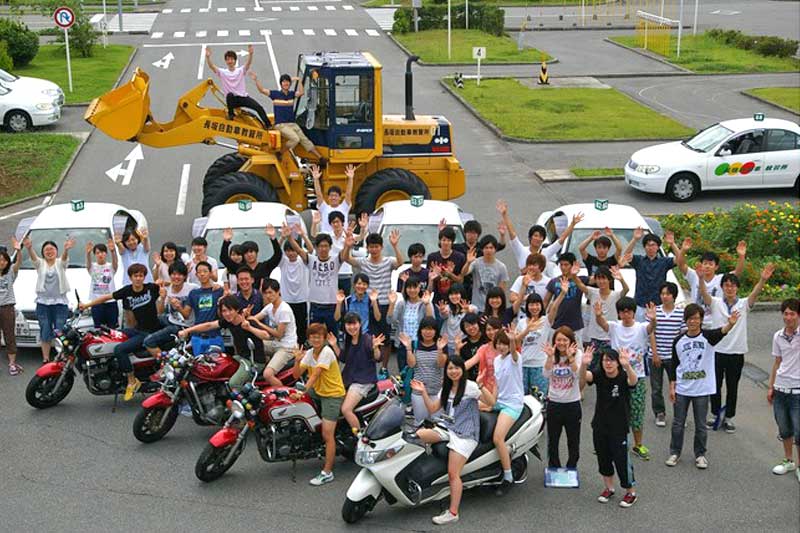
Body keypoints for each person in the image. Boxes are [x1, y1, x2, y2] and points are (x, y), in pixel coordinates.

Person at [412, 357, 495, 525]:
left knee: (453, 474)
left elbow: (491, 402)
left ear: (462, 370)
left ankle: (453, 512)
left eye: (457, 368)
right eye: (450, 368)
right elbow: (432, 409)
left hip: (466, 433)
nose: (453, 371)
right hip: (449, 427)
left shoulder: (470, 387)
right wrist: (423, 393)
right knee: (418, 435)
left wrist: (481, 385)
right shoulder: (447, 388)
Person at [700, 263, 773, 433]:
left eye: (733, 285)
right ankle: (715, 414)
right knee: (715, 385)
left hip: (736, 352)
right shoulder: (716, 302)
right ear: (722, 287)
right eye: (726, 285)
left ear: (737, 288)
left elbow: (755, 293)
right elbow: (704, 295)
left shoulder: (744, 304)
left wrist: (762, 280)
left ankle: (729, 417)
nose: (730, 288)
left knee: (733, 387)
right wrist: (701, 279)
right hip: (717, 351)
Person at [665, 303, 738, 470]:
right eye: (690, 318)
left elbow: (722, 332)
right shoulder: (678, 340)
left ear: (701, 320)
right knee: (678, 422)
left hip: (702, 389)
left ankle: (700, 455)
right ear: (686, 320)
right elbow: (674, 365)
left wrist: (731, 324)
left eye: (697, 318)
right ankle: (675, 452)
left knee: (700, 424)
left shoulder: (708, 337)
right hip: (682, 388)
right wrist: (672, 386)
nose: (693, 321)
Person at [79, 264, 161, 400]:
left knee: (119, 349)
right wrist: (87, 305)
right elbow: (106, 297)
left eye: (141, 276)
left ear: (144, 277)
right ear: (130, 277)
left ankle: (132, 380)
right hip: (137, 330)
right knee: (112, 335)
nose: (138, 279)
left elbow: (168, 284)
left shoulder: (151, 288)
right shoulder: (127, 291)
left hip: (150, 333)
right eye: (135, 276)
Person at [594, 297, 656, 460]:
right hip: (615, 377)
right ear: (619, 313)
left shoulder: (641, 327)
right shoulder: (615, 327)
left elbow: (651, 328)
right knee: (611, 411)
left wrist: (653, 319)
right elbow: (602, 323)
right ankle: (608, 442)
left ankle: (638, 445)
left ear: (634, 312)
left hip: (637, 376)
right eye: (622, 311)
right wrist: (598, 315)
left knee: (636, 412)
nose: (625, 314)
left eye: (628, 311)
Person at [580, 346, 639, 508]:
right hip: (599, 425)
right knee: (603, 458)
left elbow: (633, 382)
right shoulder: (599, 374)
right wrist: (583, 364)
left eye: (611, 360)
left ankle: (630, 492)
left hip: (619, 427)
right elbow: (585, 377)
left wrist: (627, 365)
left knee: (622, 461)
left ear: (618, 362)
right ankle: (609, 488)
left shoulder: (623, 376)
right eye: (605, 360)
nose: (608, 363)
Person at [292, 323, 347, 486]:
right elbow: (296, 374)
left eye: (319, 336)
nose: (315, 339)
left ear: (324, 339)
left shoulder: (327, 352)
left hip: (332, 395)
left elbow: (316, 374)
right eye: (312, 336)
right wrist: (297, 361)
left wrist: (303, 391)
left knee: (327, 435)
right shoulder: (309, 353)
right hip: (317, 391)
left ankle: (327, 472)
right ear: (308, 338)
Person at [179, 295, 267, 387]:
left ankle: (241, 400)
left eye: (230, 310)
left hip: (254, 362)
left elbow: (265, 335)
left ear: (237, 310)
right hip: (240, 358)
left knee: (233, 383)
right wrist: (187, 331)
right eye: (224, 311)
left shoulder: (248, 322)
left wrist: (250, 328)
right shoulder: (228, 321)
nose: (227, 314)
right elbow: (209, 325)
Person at [343, 230, 403, 366]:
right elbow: (347, 259)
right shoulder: (363, 262)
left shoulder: (388, 261)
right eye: (371, 246)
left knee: (386, 339)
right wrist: (347, 246)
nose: (374, 249)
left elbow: (400, 262)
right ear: (367, 248)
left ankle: (384, 368)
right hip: (367, 305)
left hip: (385, 304)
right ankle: (368, 364)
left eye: (376, 246)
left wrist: (395, 246)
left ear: (381, 247)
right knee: (368, 337)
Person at [285, 225, 352, 337]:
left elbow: (344, 255)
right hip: (315, 306)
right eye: (320, 246)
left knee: (332, 336)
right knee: (315, 336)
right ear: (316, 248)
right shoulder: (311, 260)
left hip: (331, 306)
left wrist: (348, 245)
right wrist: (289, 237)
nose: (323, 249)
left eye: (326, 246)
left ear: (330, 247)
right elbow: (299, 250)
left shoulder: (335, 261)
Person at [251, 71, 325, 162]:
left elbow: (301, 93)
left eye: (287, 82)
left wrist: (299, 80)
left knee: (304, 139)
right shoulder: (275, 94)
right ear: (281, 84)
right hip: (281, 125)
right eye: (284, 82)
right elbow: (262, 90)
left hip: (292, 124)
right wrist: (256, 80)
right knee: (295, 139)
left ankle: (320, 158)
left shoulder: (291, 94)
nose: (285, 83)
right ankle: (280, 153)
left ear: (290, 83)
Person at [496, 199, 582, 274]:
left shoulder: (546, 252)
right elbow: (513, 234)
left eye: (541, 236)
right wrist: (504, 215)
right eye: (535, 236)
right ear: (530, 237)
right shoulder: (521, 251)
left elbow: (561, 239)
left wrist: (572, 224)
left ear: (543, 239)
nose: (538, 238)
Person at [332, 312, 383, 434]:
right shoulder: (349, 340)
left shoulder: (367, 339)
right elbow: (344, 358)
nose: (351, 327)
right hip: (349, 379)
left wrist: (375, 347)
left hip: (363, 381)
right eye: (348, 324)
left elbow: (377, 358)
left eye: (354, 323)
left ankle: (359, 436)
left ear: (360, 324)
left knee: (346, 409)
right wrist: (334, 345)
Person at [516, 280, 567, 398]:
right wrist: (527, 330)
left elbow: (554, 307)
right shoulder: (522, 322)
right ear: (527, 306)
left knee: (539, 398)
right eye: (531, 304)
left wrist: (562, 294)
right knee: (524, 398)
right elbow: (516, 342)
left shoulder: (546, 321)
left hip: (540, 365)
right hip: (524, 364)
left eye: (537, 304)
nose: (534, 307)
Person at [767, 298, 800, 481]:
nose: (788, 317)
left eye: (792, 313)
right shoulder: (778, 336)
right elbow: (777, 362)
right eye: (785, 314)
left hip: (798, 391)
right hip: (780, 389)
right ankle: (788, 460)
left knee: (799, 431)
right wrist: (771, 387)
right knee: (785, 429)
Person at [24, 237, 72, 364]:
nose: (49, 251)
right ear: (43, 252)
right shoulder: (40, 264)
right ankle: (46, 358)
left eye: (52, 249)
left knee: (60, 331)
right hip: (43, 303)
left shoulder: (60, 263)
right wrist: (29, 248)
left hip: (60, 303)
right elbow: (34, 258)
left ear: (56, 251)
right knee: (45, 329)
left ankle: (61, 356)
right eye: (46, 249)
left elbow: (64, 259)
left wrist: (66, 250)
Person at [679, 240, 747, 327]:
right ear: (701, 264)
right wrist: (683, 250)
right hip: (697, 321)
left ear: (716, 267)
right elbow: (681, 265)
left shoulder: (721, 278)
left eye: (711, 264)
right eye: (705, 263)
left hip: (716, 321)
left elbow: (738, 272)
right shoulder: (695, 276)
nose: (707, 266)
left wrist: (741, 256)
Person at [490, 329, 525, 496]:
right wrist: (491, 402)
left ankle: (508, 476)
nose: (501, 346)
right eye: (498, 343)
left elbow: (514, 353)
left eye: (504, 343)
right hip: (500, 402)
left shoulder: (514, 358)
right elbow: (497, 384)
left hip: (512, 404)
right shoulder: (496, 360)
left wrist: (512, 341)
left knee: (498, 438)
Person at [543, 326, 582, 469]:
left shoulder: (578, 354)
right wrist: (549, 358)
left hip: (572, 403)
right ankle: (554, 467)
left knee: (573, 440)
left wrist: (571, 358)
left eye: (565, 340)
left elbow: (578, 376)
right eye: (558, 340)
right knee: (553, 439)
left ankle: (571, 467)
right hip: (554, 403)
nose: (561, 343)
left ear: (571, 341)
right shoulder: (551, 354)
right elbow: (546, 375)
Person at [623, 228, 682, 322]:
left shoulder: (664, 261)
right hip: (640, 304)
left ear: (658, 247)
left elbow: (680, 260)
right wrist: (634, 239)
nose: (650, 247)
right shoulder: (639, 260)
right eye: (647, 245)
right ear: (644, 247)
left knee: (656, 333)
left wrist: (672, 244)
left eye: (653, 245)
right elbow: (626, 254)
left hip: (658, 305)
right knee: (641, 331)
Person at [205, 45, 271, 127]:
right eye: (228, 59)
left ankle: (268, 125)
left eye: (232, 59)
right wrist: (208, 57)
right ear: (225, 61)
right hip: (232, 100)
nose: (230, 61)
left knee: (259, 107)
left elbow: (248, 64)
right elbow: (212, 67)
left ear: (235, 60)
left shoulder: (240, 70)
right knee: (229, 95)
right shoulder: (223, 72)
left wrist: (251, 54)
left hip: (243, 98)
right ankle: (231, 114)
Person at [249, 279, 298, 387]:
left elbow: (279, 335)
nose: (268, 296)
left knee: (268, 374)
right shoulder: (270, 307)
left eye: (271, 292)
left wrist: (260, 324)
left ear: (278, 292)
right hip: (275, 344)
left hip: (287, 347)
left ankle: (284, 396)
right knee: (254, 345)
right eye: (266, 293)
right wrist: (246, 316)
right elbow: (254, 319)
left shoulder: (284, 310)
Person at [142, 261, 196, 356]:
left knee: (148, 341)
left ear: (185, 276)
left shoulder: (192, 289)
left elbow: (186, 316)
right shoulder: (168, 289)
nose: (176, 277)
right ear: (170, 275)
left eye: (180, 274)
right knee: (148, 319)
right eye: (174, 274)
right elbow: (160, 312)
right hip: (170, 319)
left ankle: (166, 362)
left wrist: (179, 307)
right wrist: (162, 298)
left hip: (183, 326)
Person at [401, 316, 448, 425]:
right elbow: (411, 364)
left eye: (431, 329)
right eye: (425, 328)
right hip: (418, 390)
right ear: (420, 330)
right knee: (420, 422)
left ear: (436, 331)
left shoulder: (441, 344)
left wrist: (440, 349)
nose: (428, 332)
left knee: (437, 424)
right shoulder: (415, 344)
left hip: (437, 391)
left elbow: (441, 364)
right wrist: (408, 348)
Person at [650, 282, 684, 428]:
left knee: (677, 386)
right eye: (662, 294)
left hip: (674, 358)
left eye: (668, 294)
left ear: (674, 296)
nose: (664, 296)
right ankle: (660, 413)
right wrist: (655, 354)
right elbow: (651, 333)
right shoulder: (655, 311)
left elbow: (682, 335)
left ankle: (679, 414)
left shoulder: (680, 313)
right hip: (656, 355)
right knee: (656, 387)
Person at [584, 265, 629, 359]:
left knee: (610, 363)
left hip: (610, 337)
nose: (601, 281)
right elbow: (581, 286)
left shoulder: (615, 295)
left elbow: (626, 290)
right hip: (594, 337)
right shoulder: (592, 292)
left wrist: (621, 279)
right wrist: (574, 276)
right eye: (598, 279)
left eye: (604, 278)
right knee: (593, 365)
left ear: (609, 280)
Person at [221, 225, 282, 293]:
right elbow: (224, 258)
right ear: (243, 255)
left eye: (251, 251)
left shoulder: (265, 267)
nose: (249, 255)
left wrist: (273, 238)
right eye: (246, 252)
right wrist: (226, 242)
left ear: (256, 252)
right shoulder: (239, 267)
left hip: (262, 300)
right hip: (242, 300)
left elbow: (277, 256)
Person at [279, 224, 311, 345]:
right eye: (288, 251)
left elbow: (311, 250)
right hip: (287, 300)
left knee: (301, 326)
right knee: (287, 327)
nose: (291, 253)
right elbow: (276, 251)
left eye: (293, 250)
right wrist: (282, 238)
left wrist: (303, 235)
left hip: (302, 300)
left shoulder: (303, 260)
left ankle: (301, 347)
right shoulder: (283, 262)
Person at [392, 278, 434, 372]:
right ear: (405, 289)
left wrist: (427, 304)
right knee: (403, 373)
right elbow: (391, 321)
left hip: (419, 343)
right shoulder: (401, 304)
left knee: (419, 372)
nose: (412, 290)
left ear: (419, 288)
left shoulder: (424, 303)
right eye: (409, 287)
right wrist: (392, 304)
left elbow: (431, 321)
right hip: (403, 343)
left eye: (414, 287)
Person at [184, 262, 225, 355]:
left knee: (218, 365)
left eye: (205, 271)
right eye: (199, 272)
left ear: (210, 273)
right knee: (199, 366)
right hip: (197, 337)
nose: (202, 274)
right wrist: (177, 306)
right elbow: (186, 314)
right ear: (196, 275)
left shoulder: (219, 291)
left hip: (215, 335)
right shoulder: (193, 293)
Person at [463, 235, 509, 312]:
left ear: (495, 249)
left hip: (492, 308)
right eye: (486, 248)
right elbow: (464, 273)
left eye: (491, 248)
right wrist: (468, 262)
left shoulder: (501, 267)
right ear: (482, 249)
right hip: (476, 307)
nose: (488, 250)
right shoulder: (476, 263)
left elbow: (502, 291)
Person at [543, 253, 586, 333]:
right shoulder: (554, 281)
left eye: (566, 265)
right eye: (561, 265)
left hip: (576, 326)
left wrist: (575, 276)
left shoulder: (581, 280)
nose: (563, 267)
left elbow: (597, 280)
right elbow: (545, 302)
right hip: (556, 324)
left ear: (573, 264)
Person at [466, 317, 503, 408]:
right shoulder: (484, 348)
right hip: (487, 390)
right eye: (488, 330)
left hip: (504, 389)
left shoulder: (507, 347)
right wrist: (453, 369)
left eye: (495, 329)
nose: (492, 332)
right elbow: (470, 362)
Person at [427, 227, 467, 307]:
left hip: (455, 301)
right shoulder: (432, 257)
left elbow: (461, 281)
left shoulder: (460, 257)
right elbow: (429, 288)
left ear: (452, 242)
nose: (446, 243)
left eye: (448, 240)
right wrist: (436, 276)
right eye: (443, 240)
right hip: (437, 301)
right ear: (440, 241)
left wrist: (450, 274)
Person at [0, 239, 23, 375]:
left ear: (7, 261)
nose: (1, 262)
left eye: (3, 260)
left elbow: (18, 263)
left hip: (7, 308)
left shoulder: (10, 273)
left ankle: (12, 364)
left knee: (9, 336)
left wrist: (19, 250)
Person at [85, 240, 119, 328]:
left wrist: (113, 251)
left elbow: (115, 263)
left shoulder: (110, 266)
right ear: (95, 255)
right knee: (98, 328)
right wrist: (88, 254)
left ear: (106, 254)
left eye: (103, 252)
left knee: (112, 327)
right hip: (96, 302)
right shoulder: (92, 267)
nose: (100, 254)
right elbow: (88, 264)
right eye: (97, 253)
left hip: (110, 302)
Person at [312, 163, 353, 235]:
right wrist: (316, 179)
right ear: (328, 197)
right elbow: (319, 195)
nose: (333, 198)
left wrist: (350, 178)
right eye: (331, 196)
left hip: (342, 239)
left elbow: (348, 194)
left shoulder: (344, 207)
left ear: (340, 198)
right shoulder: (324, 207)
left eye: (336, 196)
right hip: (326, 239)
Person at [510, 253, 551, 323]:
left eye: (534, 265)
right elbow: (512, 298)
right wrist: (524, 298)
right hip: (522, 319)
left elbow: (547, 302)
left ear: (541, 267)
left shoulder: (548, 282)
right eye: (529, 265)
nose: (531, 267)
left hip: (540, 320)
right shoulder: (521, 279)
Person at [438, 284, 477, 355]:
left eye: (456, 293)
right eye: (451, 294)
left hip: (462, 343)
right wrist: (442, 311)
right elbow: (444, 315)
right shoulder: (447, 307)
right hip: (446, 343)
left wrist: (468, 310)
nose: (453, 296)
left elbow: (474, 310)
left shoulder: (470, 306)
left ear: (462, 294)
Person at [457, 312, 485, 381]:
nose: (471, 328)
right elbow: (458, 364)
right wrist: (457, 349)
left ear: (478, 323)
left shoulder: (487, 338)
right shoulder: (463, 343)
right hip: (470, 381)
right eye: (467, 326)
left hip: (487, 378)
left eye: (473, 324)